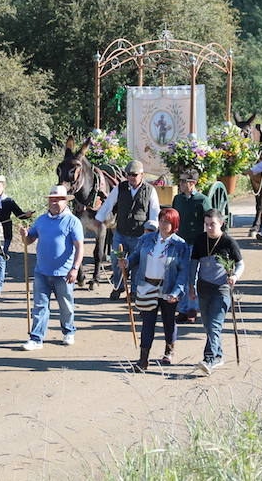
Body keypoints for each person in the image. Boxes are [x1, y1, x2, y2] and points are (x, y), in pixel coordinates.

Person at [118, 208, 189, 372]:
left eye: (168, 222)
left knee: (168, 321)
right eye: (162, 220)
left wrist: (176, 292)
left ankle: (169, 349)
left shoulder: (180, 245)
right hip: (147, 286)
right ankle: (143, 360)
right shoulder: (146, 239)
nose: (164, 225)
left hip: (168, 289)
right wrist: (127, 262)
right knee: (147, 323)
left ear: (175, 224)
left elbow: (183, 272)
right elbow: (136, 256)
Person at [20, 185, 84, 351]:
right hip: (41, 271)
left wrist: (75, 268)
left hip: (64, 273)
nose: (54, 202)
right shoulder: (41, 219)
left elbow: (80, 247)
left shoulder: (72, 221)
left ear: (65, 201)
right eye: (52, 199)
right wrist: (25, 235)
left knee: (66, 305)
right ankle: (36, 338)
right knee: (40, 306)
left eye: (58, 199)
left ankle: (69, 331)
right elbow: (29, 240)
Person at [189, 209, 244, 376]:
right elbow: (193, 264)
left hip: (222, 289)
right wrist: (191, 284)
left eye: (212, 224)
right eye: (206, 224)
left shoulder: (228, 242)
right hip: (203, 288)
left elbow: (241, 264)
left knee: (214, 324)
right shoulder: (200, 239)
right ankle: (218, 355)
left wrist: (234, 276)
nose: (209, 227)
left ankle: (209, 359)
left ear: (221, 223)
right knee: (208, 324)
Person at [95, 159, 159, 300]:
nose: (131, 177)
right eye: (128, 174)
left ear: (141, 175)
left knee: (136, 264)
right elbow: (108, 204)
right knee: (116, 259)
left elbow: (155, 211)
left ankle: (134, 291)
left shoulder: (150, 190)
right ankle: (119, 286)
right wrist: (99, 219)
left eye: (134, 174)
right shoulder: (120, 187)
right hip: (121, 232)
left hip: (139, 235)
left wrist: (152, 229)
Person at [171, 169, 212, 323]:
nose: (180, 184)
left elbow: (210, 220)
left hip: (195, 243)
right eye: (180, 181)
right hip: (179, 242)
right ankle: (182, 308)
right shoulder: (178, 199)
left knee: (191, 277)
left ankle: (191, 309)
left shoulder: (202, 200)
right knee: (179, 275)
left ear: (192, 183)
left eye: (183, 182)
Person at [0, 175, 34, 295]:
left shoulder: (9, 201)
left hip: (5, 235)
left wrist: (26, 215)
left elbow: (19, 215)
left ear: (3, 187)